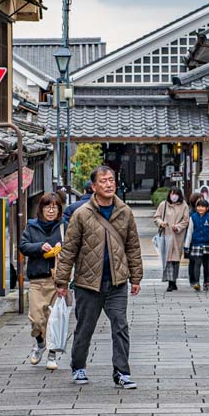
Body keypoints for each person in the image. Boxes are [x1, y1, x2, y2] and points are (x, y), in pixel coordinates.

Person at [54, 165, 143, 388]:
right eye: (103, 181)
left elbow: (133, 246)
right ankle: (78, 366)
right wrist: (62, 281)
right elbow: (69, 249)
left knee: (120, 325)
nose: (108, 184)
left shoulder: (125, 212)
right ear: (93, 186)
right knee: (85, 327)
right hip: (87, 282)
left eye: (111, 180)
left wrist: (136, 277)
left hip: (117, 282)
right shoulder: (82, 214)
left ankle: (122, 372)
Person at [19, 192, 66, 369]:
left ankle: (52, 355)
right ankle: (40, 343)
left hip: (56, 280)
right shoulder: (32, 227)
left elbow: (73, 247)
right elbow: (23, 246)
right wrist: (39, 247)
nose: (51, 210)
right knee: (37, 319)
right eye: (48, 206)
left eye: (55, 207)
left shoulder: (63, 226)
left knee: (54, 320)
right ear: (41, 208)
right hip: (37, 280)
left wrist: (62, 249)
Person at [154, 186, 190, 291]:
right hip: (166, 235)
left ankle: (174, 280)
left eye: (176, 194)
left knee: (176, 260)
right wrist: (161, 223)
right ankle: (170, 282)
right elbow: (157, 217)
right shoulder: (163, 205)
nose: (173, 196)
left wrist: (178, 226)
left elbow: (186, 220)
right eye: (171, 193)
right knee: (168, 260)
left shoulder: (184, 206)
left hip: (178, 236)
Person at [185, 197, 209, 292]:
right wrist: (187, 245)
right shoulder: (193, 217)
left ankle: (207, 282)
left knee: (207, 264)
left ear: (207, 208)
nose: (200, 208)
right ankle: (196, 282)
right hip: (196, 243)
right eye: (198, 206)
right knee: (197, 263)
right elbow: (189, 232)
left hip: (207, 243)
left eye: (203, 206)